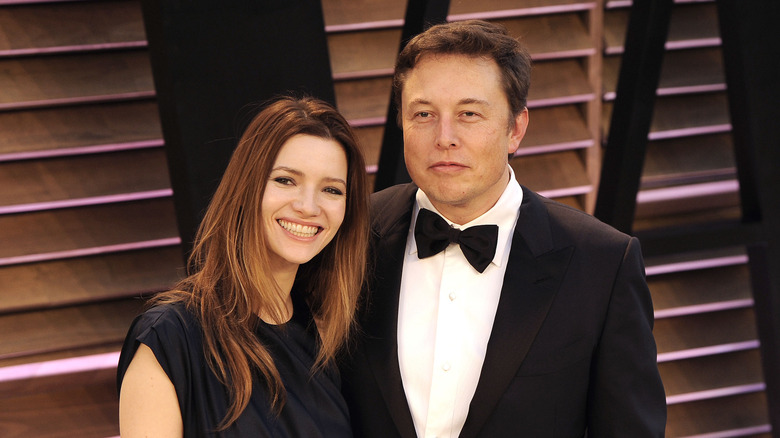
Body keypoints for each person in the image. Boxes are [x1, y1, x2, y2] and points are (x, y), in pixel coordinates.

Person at [340, 20, 667, 437]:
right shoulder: (349, 234)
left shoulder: (602, 263)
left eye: (469, 114)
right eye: (423, 114)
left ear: (516, 129)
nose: (445, 137)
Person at [117, 96, 370, 437]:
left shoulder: (328, 332)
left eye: (331, 189)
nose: (309, 207)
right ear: (247, 186)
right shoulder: (169, 338)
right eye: (285, 180)